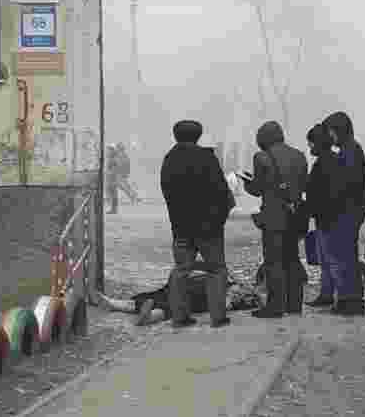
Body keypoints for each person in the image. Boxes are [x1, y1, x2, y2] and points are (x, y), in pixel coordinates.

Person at [160, 120, 235, 328]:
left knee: (181, 269)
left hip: (181, 226)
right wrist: (219, 218)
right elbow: (221, 191)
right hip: (209, 226)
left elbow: (167, 193)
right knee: (217, 269)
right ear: (198, 135)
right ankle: (218, 317)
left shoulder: (169, 159)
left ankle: (180, 316)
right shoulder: (207, 157)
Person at [243, 120, 309, 318]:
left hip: (273, 217)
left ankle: (275, 306)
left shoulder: (261, 157)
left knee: (274, 262)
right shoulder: (299, 156)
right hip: (295, 215)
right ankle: (295, 305)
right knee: (293, 260)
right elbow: (304, 184)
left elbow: (257, 188)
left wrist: (247, 182)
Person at [321, 111, 365, 316]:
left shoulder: (349, 152)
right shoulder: (350, 150)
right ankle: (348, 299)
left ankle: (351, 301)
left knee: (345, 258)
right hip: (350, 212)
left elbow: (344, 185)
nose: (329, 136)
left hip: (346, 213)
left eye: (330, 131)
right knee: (346, 257)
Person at [95, 272, 262, 326]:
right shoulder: (229, 281)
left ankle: (140, 314)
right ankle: (115, 304)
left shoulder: (234, 297)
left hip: (192, 295)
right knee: (158, 298)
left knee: (167, 304)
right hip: (185, 287)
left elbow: (224, 306)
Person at [304, 123, 337, 308]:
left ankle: (329, 294)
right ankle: (327, 293)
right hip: (327, 216)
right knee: (327, 258)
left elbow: (318, 191)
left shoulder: (324, 163)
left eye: (311, 143)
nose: (310, 147)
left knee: (329, 259)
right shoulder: (331, 160)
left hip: (327, 218)